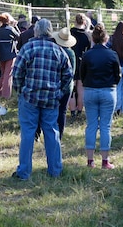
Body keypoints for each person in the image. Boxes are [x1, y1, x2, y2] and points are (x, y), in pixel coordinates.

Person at [11, 19, 73, 180]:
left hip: (29, 97)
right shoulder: (59, 50)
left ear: (36, 31)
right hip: (51, 98)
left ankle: (24, 172)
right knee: (52, 133)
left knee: (28, 134)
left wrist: (21, 90)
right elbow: (68, 76)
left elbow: (17, 73)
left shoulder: (28, 48)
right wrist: (60, 92)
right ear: (50, 31)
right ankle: (55, 170)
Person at [79, 24, 121, 169]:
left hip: (90, 90)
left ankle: (90, 161)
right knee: (105, 126)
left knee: (91, 125)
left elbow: (82, 74)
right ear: (106, 38)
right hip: (108, 91)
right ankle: (105, 161)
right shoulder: (112, 54)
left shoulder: (87, 55)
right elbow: (118, 75)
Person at [53, 26, 77, 139]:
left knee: (53, 109)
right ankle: (60, 135)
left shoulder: (55, 50)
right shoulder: (71, 53)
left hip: (54, 83)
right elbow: (72, 71)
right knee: (62, 111)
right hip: (67, 86)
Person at [68, 14, 92, 119]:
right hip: (82, 63)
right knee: (81, 88)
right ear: (84, 22)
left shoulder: (69, 33)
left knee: (72, 88)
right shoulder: (87, 36)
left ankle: (72, 111)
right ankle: (79, 111)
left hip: (71, 62)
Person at [0, 13, 20, 99]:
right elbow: (19, 36)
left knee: (2, 74)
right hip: (10, 54)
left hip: (1, 54)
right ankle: (6, 94)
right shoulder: (10, 29)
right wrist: (15, 26)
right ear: (8, 20)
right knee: (8, 75)